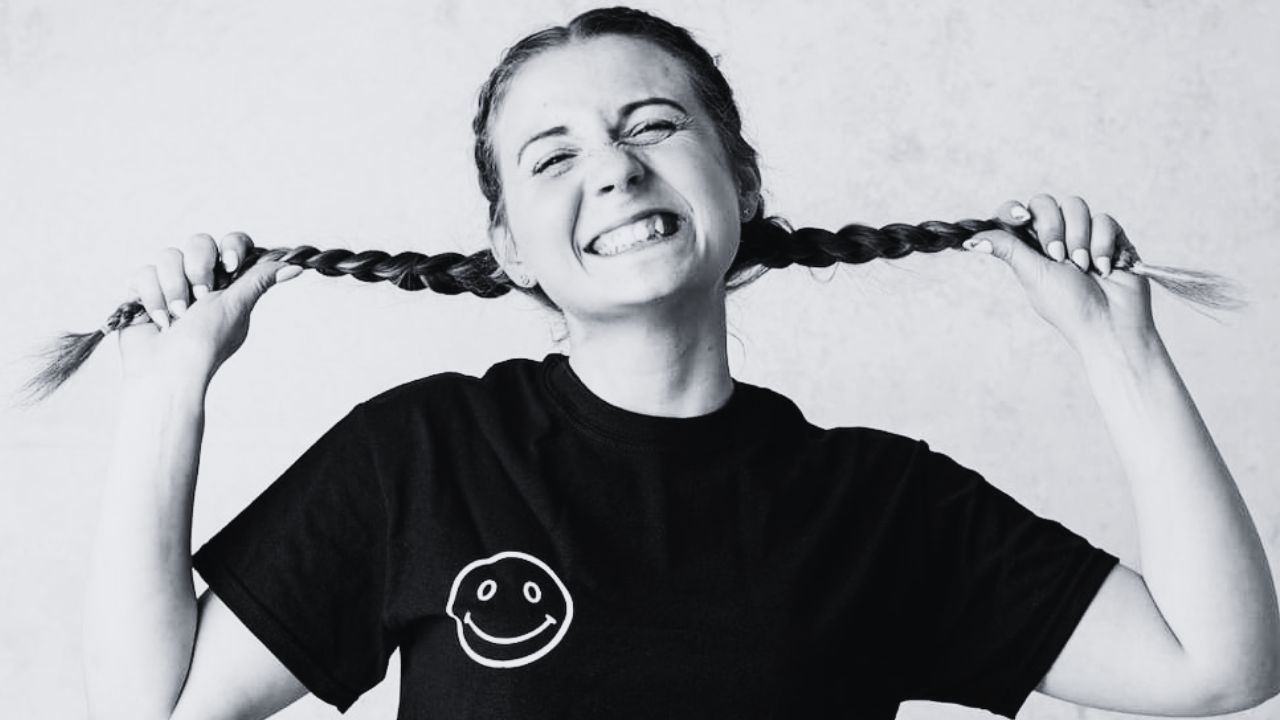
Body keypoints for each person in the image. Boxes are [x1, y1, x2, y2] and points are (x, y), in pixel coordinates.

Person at [82, 6, 1279, 719]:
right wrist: (167, 391)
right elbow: (156, 706)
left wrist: (1120, 352)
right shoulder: (421, 456)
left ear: (740, 182)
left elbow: (1219, 667)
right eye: (551, 156)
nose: (612, 169)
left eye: (651, 125)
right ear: (510, 249)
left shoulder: (881, 502)